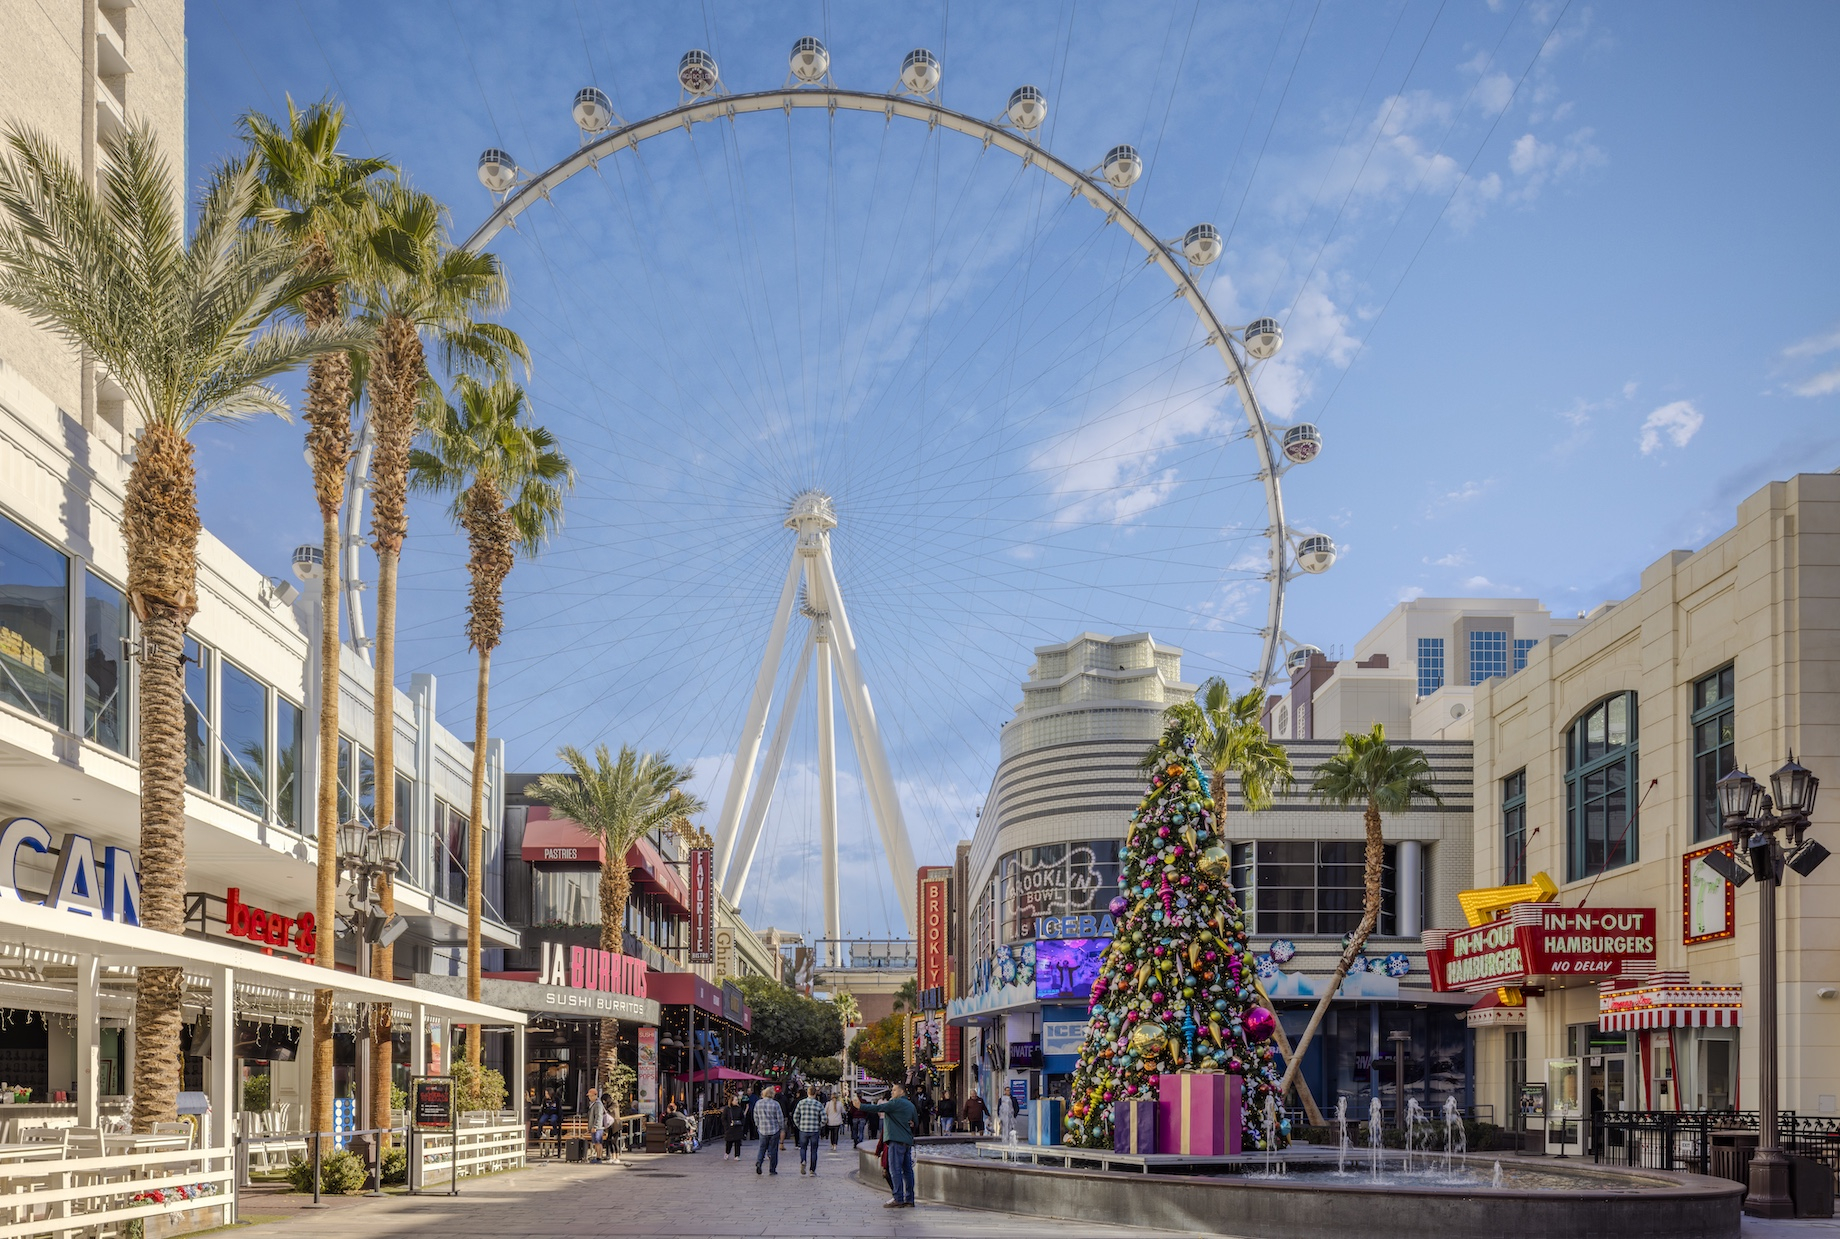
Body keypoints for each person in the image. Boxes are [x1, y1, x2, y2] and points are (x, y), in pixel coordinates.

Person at [859, 1083, 918, 1209]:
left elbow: (877, 1108)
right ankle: (910, 1198)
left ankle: (898, 1198)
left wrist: (860, 1106)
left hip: (895, 1141)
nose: (892, 1092)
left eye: (894, 1090)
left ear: (901, 1092)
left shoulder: (895, 1103)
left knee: (895, 1170)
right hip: (907, 1142)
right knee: (908, 1171)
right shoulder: (910, 1105)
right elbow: (916, 1122)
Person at [793, 1084, 826, 1175]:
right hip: (814, 1130)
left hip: (803, 1129)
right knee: (814, 1150)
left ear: (807, 1093)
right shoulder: (818, 1104)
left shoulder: (801, 1103)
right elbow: (824, 1118)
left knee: (803, 1148)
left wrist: (799, 1125)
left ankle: (803, 1160)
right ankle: (812, 1170)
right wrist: (819, 1126)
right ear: (815, 1093)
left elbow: (795, 1116)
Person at [752, 1086, 785, 1175]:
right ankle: (772, 1169)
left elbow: (755, 1116)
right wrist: (781, 1127)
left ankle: (759, 1162)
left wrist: (758, 1125)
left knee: (762, 1148)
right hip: (774, 1129)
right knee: (773, 1150)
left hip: (762, 1129)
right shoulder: (775, 1104)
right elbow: (780, 1117)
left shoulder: (758, 1103)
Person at [722, 1090, 750, 1160]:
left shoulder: (739, 1108)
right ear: (731, 1101)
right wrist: (726, 1126)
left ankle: (737, 1155)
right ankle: (727, 1153)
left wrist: (741, 1123)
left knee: (738, 1142)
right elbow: (723, 1118)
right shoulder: (727, 1109)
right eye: (735, 1100)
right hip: (730, 1127)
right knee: (729, 1142)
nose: (737, 1101)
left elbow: (742, 1117)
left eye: (737, 1100)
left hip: (737, 1127)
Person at [586, 1086, 608, 1163]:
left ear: (595, 1095)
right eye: (589, 1096)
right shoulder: (593, 1104)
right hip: (594, 1127)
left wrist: (595, 1126)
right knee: (595, 1142)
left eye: (591, 1096)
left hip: (598, 1127)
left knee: (598, 1142)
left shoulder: (598, 1104)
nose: (590, 1097)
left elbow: (599, 1116)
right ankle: (597, 1157)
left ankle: (599, 1158)